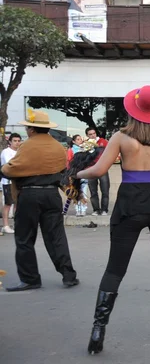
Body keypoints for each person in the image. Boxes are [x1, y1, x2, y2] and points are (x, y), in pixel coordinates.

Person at [76, 55, 150, 354]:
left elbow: (97, 171)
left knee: (115, 269)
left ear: (133, 109)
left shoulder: (122, 137)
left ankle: (98, 331)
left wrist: (76, 173)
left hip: (130, 205)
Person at [1, 110, 79, 292]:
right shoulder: (58, 148)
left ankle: (30, 279)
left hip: (29, 196)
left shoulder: (27, 147)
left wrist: (5, 168)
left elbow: (10, 170)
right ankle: (68, 275)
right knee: (56, 237)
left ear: (32, 130)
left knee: (25, 239)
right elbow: (62, 170)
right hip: (52, 195)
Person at [86, 126, 110, 216]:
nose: (92, 135)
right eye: (90, 134)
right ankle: (96, 210)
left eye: (94, 133)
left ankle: (104, 210)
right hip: (91, 169)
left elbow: (110, 153)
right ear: (87, 135)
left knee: (105, 190)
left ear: (96, 133)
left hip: (103, 169)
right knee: (93, 191)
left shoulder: (103, 142)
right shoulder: (86, 144)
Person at [1, 133, 21, 235]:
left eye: (18, 141)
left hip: (18, 181)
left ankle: (16, 224)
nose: (17, 143)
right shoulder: (6, 152)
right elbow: (10, 165)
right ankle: (5, 225)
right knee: (8, 203)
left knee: (17, 203)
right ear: (10, 142)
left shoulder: (20, 152)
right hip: (8, 181)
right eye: (15, 141)